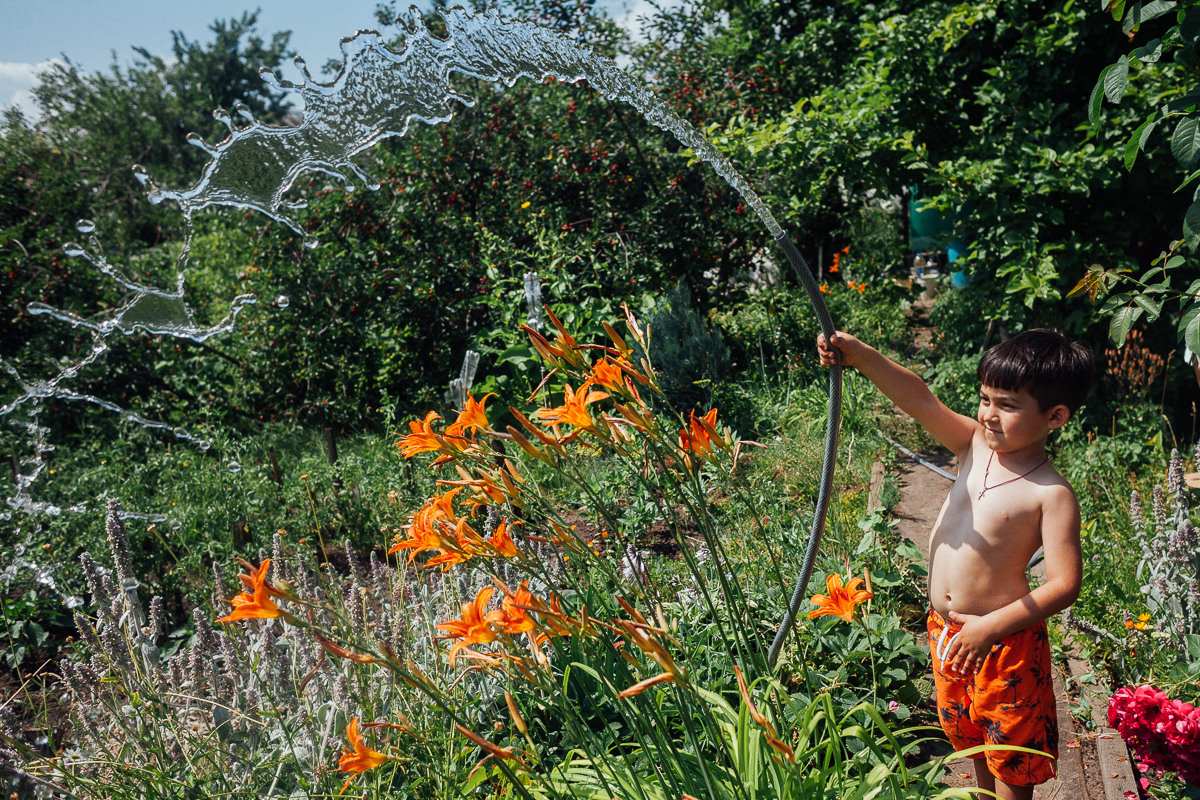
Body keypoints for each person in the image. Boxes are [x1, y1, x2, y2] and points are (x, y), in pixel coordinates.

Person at [817, 328, 1093, 800]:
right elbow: (920, 400)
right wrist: (859, 354)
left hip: (1003, 644)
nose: (988, 414)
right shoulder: (972, 445)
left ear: (1056, 416)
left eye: (1006, 404)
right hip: (947, 633)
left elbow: (1064, 584)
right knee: (968, 741)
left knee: (1011, 757)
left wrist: (989, 628)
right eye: (984, 398)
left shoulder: (1051, 493)